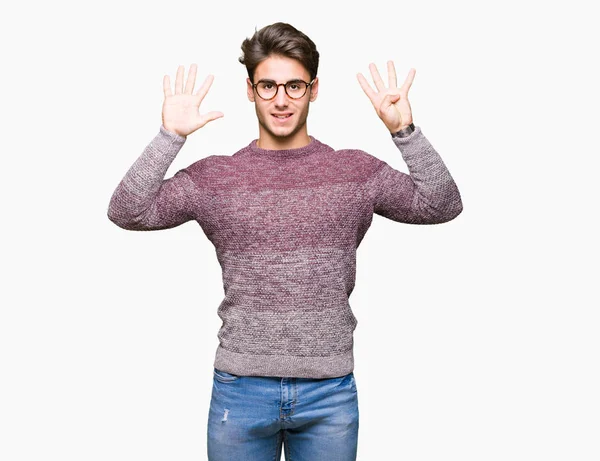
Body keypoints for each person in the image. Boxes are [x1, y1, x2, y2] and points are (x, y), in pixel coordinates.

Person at [107, 21, 462, 461]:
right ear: (250, 90)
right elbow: (128, 211)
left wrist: (404, 131)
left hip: (329, 393)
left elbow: (441, 204)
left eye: (294, 86)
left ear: (313, 90)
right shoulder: (215, 177)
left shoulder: (353, 171)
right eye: (268, 85)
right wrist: (170, 137)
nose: (280, 99)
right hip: (241, 392)